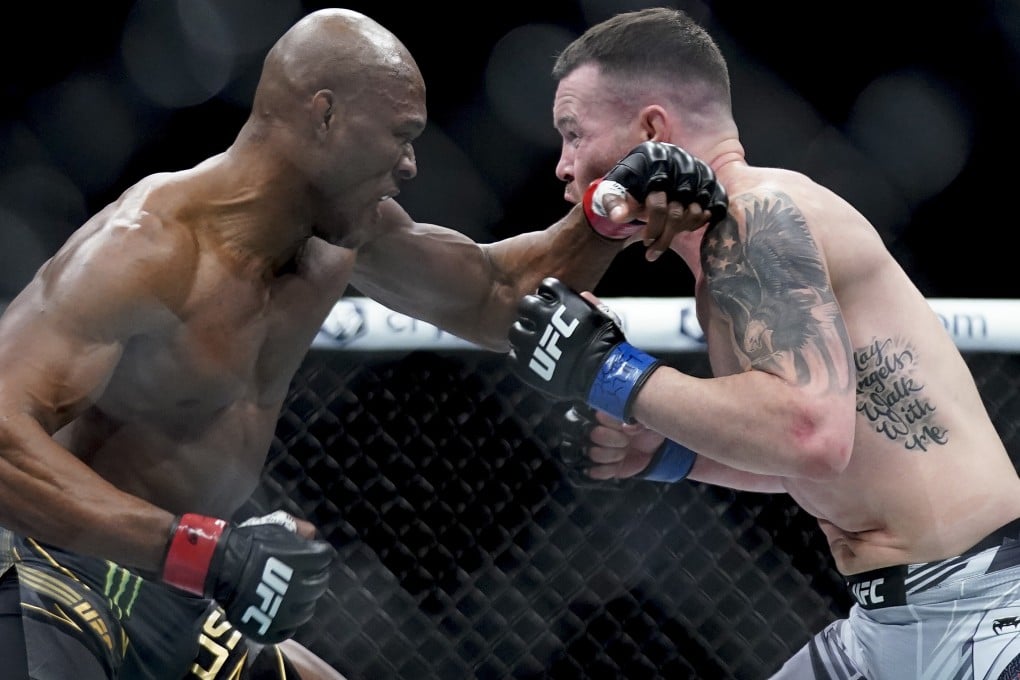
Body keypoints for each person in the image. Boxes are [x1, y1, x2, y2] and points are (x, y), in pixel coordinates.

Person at [0, 7, 722, 680]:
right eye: (401, 136)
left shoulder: (345, 237)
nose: (411, 166)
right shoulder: (146, 249)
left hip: (183, 586)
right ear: (325, 116)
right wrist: (198, 550)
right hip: (57, 570)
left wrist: (609, 215)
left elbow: (498, 297)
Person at [507, 7, 1020, 679]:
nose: (564, 166)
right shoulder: (727, 249)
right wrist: (665, 451)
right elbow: (824, 452)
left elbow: (811, 433)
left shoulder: (756, 215)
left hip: (986, 611)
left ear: (652, 130)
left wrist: (609, 369)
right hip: (885, 624)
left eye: (574, 135)